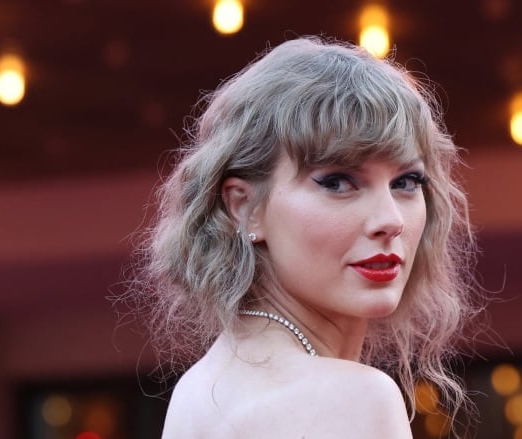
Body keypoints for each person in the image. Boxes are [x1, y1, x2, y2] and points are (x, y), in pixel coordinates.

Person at [131, 36, 482, 438]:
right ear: (245, 207)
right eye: (337, 182)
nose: (390, 220)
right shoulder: (354, 399)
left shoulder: (203, 388)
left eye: (407, 181)